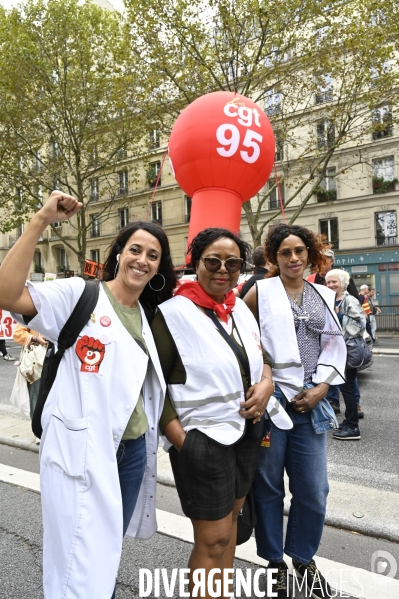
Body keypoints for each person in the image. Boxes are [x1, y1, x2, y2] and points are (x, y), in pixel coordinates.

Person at [0, 191, 176, 599]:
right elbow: (8, 296)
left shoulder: (148, 316)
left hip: (131, 452)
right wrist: (42, 219)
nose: (142, 260)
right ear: (118, 254)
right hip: (81, 449)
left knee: (104, 551)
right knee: (75, 559)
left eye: (153, 255)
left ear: (159, 268)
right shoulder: (81, 294)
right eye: (135, 249)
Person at [151, 227, 274, 599]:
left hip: (246, 433)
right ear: (196, 262)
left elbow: (260, 357)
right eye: (213, 261)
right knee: (213, 538)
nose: (223, 269)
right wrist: (181, 440)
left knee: (231, 529)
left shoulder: (239, 308)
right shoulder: (171, 314)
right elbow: (150, 383)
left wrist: (266, 383)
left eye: (233, 262)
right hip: (201, 437)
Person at [244, 223, 346, 599]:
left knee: (314, 489)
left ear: (310, 254)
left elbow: (334, 346)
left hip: (311, 404)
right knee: (268, 487)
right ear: (273, 256)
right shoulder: (259, 291)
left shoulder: (323, 294)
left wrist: (321, 388)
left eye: (299, 251)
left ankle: (303, 558)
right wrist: (266, 379)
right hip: (273, 404)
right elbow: (245, 340)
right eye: (285, 252)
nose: (293, 258)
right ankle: (274, 563)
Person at [326, 269, 366, 440]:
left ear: (343, 283)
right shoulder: (332, 299)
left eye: (334, 282)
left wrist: (339, 316)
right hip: (338, 350)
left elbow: (360, 323)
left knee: (348, 388)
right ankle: (349, 421)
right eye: (328, 282)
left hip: (347, 349)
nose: (330, 285)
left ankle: (352, 426)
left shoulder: (349, 300)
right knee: (344, 387)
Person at [13, 324, 48, 444]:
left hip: (59, 356)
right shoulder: (31, 310)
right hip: (37, 360)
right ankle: (38, 430)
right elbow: (17, 334)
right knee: (36, 395)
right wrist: (35, 338)